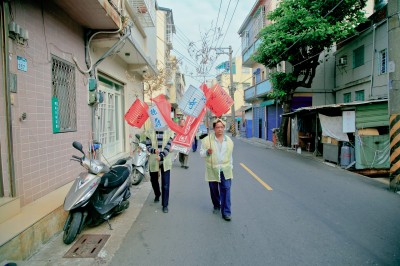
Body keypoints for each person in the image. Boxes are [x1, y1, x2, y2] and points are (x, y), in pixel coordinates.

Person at [200, 118, 234, 221]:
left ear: (224, 128)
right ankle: (216, 205)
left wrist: (231, 167)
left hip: (225, 169)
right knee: (214, 189)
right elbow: (201, 153)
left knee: (226, 189)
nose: (220, 129)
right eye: (217, 127)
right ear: (214, 128)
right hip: (212, 168)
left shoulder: (229, 141)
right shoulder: (207, 140)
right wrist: (207, 152)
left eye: (222, 127)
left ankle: (226, 212)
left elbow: (230, 155)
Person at [146, 128, 174, 213]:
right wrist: (154, 150)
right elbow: (148, 146)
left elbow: (169, 146)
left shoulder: (169, 131)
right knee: (154, 180)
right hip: (154, 160)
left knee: (165, 184)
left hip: (165, 160)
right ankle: (157, 194)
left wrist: (161, 155)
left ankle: (165, 205)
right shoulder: (149, 132)